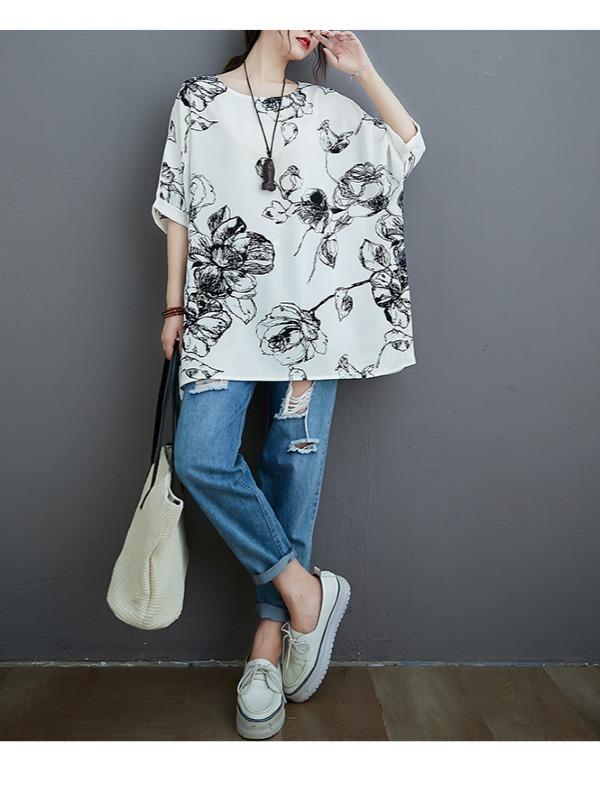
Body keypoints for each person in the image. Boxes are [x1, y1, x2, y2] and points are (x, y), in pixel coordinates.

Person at [151, 29, 426, 740]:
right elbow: (178, 206)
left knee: (290, 474)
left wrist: (362, 70)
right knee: (201, 456)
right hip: (220, 316)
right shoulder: (199, 100)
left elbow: (405, 149)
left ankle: (266, 649)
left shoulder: (329, 110)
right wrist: (174, 307)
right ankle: (304, 591)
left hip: (307, 332)